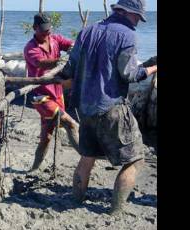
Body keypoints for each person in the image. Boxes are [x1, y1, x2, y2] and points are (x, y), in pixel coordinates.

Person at [61, 0, 157, 215]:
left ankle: (76, 201)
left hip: (85, 109)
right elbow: (130, 74)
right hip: (111, 107)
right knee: (136, 160)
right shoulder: (127, 35)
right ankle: (115, 211)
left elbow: (70, 69)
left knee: (87, 157)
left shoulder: (87, 31)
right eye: (137, 18)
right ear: (127, 13)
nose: (137, 23)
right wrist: (152, 68)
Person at [24, 13, 80, 172]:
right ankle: (86, 157)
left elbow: (71, 44)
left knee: (46, 138)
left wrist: (72, 48)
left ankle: (33, 169)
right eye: (43, 31)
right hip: (41, 97)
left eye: (49, 30)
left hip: (57, 93)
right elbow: (41, 63)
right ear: (35, 28)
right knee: (71, 124)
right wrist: (59, 61)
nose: (47, 33)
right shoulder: (30, 48)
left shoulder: (55, 39)